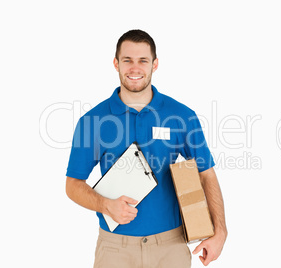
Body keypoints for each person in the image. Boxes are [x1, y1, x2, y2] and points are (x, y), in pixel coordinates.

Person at [66, 29, 227, 267]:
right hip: (115, 248)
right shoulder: (93, 121)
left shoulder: (181, 116)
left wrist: (220, 232)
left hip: (171, 247)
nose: (135, 68)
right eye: (127, 60)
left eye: (143, 60)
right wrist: (105, 205)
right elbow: (72, 185)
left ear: (155, 64)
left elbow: (207, 174)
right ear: (115, 63)